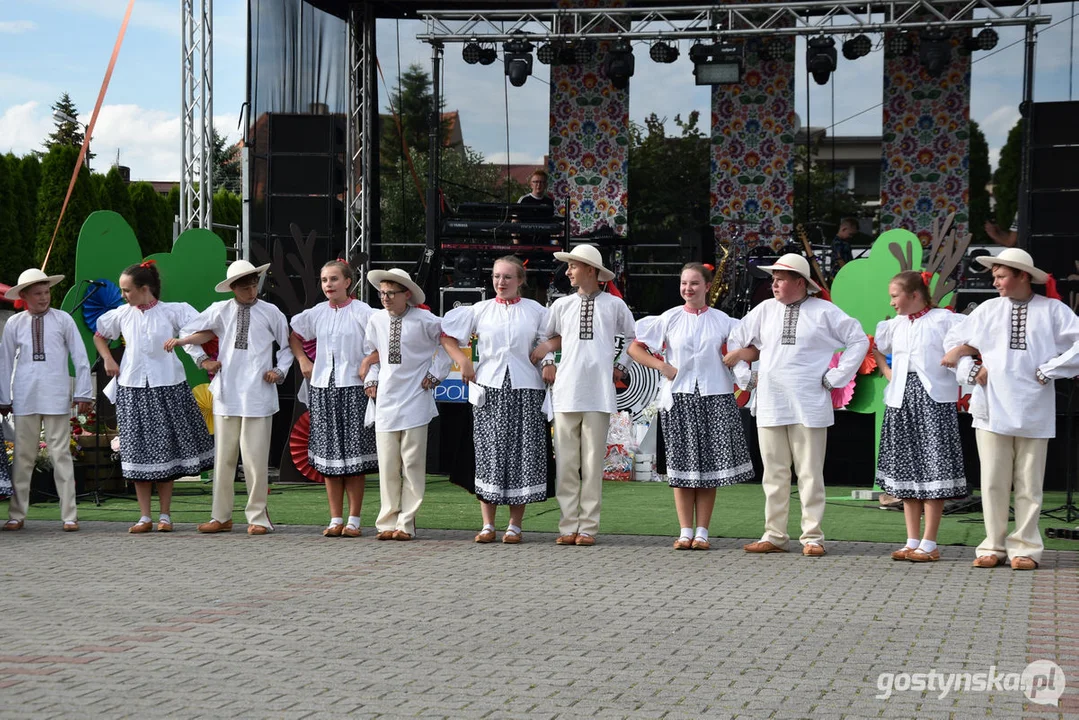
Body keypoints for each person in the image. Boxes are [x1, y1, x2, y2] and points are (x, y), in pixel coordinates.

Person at [943, 248, 1079, 570]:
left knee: (1029, 482)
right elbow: (951, 342)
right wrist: (970, 372)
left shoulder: (1052, 311)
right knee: (992, 480)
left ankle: (1026, 549)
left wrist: (1051, 369)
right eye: (995, 275)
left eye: (1001, 276)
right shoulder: (988, 310)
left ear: (1022, 276)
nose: (996, 281)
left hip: (1033, 406)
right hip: (991, 406)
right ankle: (993, 545)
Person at [725, 253, 869, 557]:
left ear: (800, 282)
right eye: (773, 279)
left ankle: (812, 537)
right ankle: (774, 534)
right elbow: (735, 339)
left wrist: (837, 377)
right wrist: (746, 379)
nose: (774, 284)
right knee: (774, 473)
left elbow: (858, 339)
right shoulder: (764, 310)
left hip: (809, 402)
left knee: (809, 472)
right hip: (770, 402)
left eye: (780, 279)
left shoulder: (824, 312)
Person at [628, 263, 755, 550]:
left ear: (708, 287)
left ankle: (702, 531)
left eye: (695, 283)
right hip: (680, 399)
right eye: (684, 283)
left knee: (707, 469)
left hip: (714, 396)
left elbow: (754, 347)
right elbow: (634, 348)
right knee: (682, 469)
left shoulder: (723, 321)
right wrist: (662, 365)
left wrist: (737, 354)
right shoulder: (669, 318)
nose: (688, 289)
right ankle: (685, 530)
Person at [169, 260, 294, 536]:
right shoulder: (220, 311)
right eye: (244, 286)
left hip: (259, 394)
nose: (251, 290)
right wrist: (203, 361)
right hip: (227, 392)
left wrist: (279, 370)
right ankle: (220, 516)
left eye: (253, 283)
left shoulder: (271, 312)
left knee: (255, 459)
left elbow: (287, 348)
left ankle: (258, 517)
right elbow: (186, 334)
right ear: (232, 289)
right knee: (224, 458)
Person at [93, 261, 215, 533]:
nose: (124, 295)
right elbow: (99, 336)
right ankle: (144, 516)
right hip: (132, 387)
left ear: (144, 288)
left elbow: (203, 332)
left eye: (127, 290)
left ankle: (165, 515)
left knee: (165, 449)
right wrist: (108, 359)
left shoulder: (172, 311)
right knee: (137, 450)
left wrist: (191, 349)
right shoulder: (122, 314)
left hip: (166, 386)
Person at [440, 256, 552, 544]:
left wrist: (547, 359)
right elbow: (446, 336)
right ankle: (488, 524)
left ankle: (515, 524)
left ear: (520, 281)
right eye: (496, 277)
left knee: (523, 452)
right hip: (489, 387)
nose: (500, 282)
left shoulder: (536, 311)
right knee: (489, 451)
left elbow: (547, 340)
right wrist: (463, 363)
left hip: (526, 387)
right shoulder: (480, 310)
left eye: (507, 277)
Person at [530, 244, 636, 547]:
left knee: (591, 463)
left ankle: (588, 527)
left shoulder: (614, 305)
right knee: (565, 462)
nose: (568, 272)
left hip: (599, 393)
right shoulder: (562, 305)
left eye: (573, 266)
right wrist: (548, 361)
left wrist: (621, 365)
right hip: (566, 391)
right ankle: (567, 525)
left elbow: (632, 337)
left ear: (590, 269)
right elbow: (544, 336)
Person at [873, 271, 967, 563]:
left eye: (895, 295)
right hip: (901, 399)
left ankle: (930, 541)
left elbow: (978, 337)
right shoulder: (894, 325)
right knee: (907, 469)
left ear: (914, 295)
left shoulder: (944, 320)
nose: (892, 303)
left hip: (932, 401)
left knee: (932, 466)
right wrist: (888, 372)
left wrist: (959, 352)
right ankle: (912, 539)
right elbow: (877, 349)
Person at [289, 259, 377, 538]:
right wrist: (303, 359)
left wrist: (367, 365)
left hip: (353, 389)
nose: (328, 285)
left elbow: (380, 344)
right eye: (325, 280)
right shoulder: (316, 313)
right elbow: (294, 336)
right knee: (329, 459)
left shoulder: (365, 313)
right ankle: (335, 518)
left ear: (348, 282)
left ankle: (354, 519)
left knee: (353, 458)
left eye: (334, 279)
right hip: (323, 389)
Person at [0, 268, 93, 532]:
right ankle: (17, 514)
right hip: (25, 396)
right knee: (23, 457)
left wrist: (83, 393)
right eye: (38, 293)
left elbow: (81, 356)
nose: (44, 298)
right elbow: (4, 361)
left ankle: (69, 515)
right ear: (25, 296)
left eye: (47, 292)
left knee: (61, 455)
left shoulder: (63, 320)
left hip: (55, 394)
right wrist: (3, 397)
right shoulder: (15, 324)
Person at [363, 268, 450, 541]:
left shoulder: (425, 319)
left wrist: (435, 374)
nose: (385, 298)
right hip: (386, 398)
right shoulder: (376, 320)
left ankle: (407, 522)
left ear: (406, 294)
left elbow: (449, 345)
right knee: (388, 463)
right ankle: (387, 522)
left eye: (391, 293)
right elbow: (372, 354)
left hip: (415, 397)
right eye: (382, 293)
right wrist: (371, 379)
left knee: (412, 463)